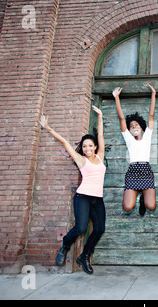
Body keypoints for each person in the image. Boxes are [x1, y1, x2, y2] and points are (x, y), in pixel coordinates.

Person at [39, 106, 106, 275]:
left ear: (95, 146)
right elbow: (65, 142)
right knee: (81, 228)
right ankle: (65, 245)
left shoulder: (100, 156)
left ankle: (84, 256)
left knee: (99, 229)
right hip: (83, 197)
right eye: (84, 146)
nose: (87, 149)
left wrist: (99, 116)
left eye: (90, 146)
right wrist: (48, 128)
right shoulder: (80, 159)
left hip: (97, 199)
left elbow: (101, 135)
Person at [112, 84, 156, 216]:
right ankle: (137, 193)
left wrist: (153, 94)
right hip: (132, 171)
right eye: (131, 126)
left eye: (136, 125)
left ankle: (143, 196)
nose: (134, 127)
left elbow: (151, 114)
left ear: (142, 127)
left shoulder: (147, 135)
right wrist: (116, 98)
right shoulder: (128, 138)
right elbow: (121, 118)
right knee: (127, 207)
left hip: (145, 170)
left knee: (151, 206)